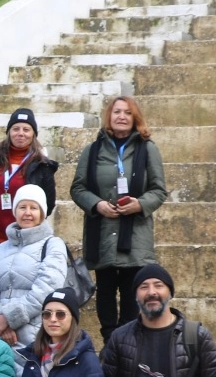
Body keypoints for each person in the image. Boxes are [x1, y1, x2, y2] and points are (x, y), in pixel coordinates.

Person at [70, 96, 168, 342]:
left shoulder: (148, 148)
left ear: (135, 118)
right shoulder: (92, 150)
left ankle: (128, 341)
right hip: (102, 232)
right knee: (104, 290)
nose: (122, 116)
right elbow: (78, 188)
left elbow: (158, 190)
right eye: (117, 112)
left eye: (127, 112)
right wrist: (98, 204)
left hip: (134, 236)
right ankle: (109, 342)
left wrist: (139, 205)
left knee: (130, 289)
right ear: (109, 117)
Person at [0, 108, 58, 273]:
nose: (21, 133)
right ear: (9, 132)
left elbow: (48, 203)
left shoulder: (42, 165)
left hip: (25, 240)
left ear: (33, 134)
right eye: (16, 128)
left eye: (26, 129)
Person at [0, 186, 67, 348]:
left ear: (42, 213)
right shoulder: (1, 248)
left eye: (33, 208)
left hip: (35, 336)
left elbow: (46, 289)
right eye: (22, 207)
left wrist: (9, 318)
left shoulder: (53, 245)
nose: (27, 213)